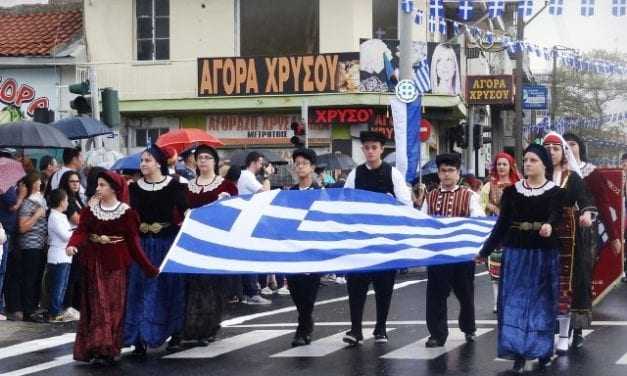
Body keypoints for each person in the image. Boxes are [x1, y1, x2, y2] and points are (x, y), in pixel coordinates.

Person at [477, 143, 563, 373]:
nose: (527, 164)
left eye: (533, 160)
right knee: (514, 302)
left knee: (541, 303)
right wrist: (484, 251)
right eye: (525, 160)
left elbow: (557, 215)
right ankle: (517, 351)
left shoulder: (555, 192)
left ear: (544, 164)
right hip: (516, 252)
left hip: (544, 254)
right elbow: (502, 225)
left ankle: (543, 349)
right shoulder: (512, 192)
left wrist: (549, 226)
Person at [66, 171, 159, 365]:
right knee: (98, 306)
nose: (98, 189)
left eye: (102, 185)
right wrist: (72, 244)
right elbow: (82, 230)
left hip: (116, 264)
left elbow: (134, 245)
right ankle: (97, 347)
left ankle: (109, 348)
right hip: (94, 263)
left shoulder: (127, 213)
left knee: (114, 307)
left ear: (114, 188)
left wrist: (149, 267)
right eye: (98, 185)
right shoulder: (91, 210)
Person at [342, 131, 412, 346]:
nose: (370, 151)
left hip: (385, 241)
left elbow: (406, 205)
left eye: (374, 147)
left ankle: (381, 328)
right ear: (363, 150)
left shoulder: (393, 174)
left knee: (384, 287)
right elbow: (345, 203)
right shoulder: (355, 174)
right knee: (356, 286)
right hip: (360, 240)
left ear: (382, 149)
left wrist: (392, 204)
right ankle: (355, 329)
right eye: (367, 147)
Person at [124, 144, 189, 354]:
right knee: (140, 290)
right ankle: (139, 337)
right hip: (142, 246)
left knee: (167, 290)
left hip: (166, 245)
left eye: (147, 160)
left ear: (159, 163)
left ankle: (175, 332)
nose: (143, 164)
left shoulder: (175, 186)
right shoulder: (133, 188)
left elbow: (187, 212)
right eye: (142, 161)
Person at [421, 153, 485, 348]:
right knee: (435, 294)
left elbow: (479, 220)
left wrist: (478, 248)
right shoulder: (430, 196)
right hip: (438, 255)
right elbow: (422, 222)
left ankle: (468, 327)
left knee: (465, 294)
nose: (447, 175)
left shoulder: (469, 195)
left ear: (458, 174)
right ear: (438, 173)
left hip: (462, 255)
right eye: (443, 171)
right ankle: (437, 334)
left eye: (451, 171)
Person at [543, 131, 595, 355]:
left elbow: (585, 200)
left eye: (555, 149)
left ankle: (572, 333)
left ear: (562, 152)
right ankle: (548, 330)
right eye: (547, 149)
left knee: (570, 280)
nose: (551, 153)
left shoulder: (571, 177)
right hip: (541, 233)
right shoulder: (536, 174)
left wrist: (587, 214)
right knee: (544, 281)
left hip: (568, 236)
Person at [183, 145, 237, 346]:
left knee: (214, 286)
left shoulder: (227, 186)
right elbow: (177, 212)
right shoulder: (188, 187)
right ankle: (192, 328)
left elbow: (234, 214)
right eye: (200, 158)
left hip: (215, 242)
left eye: (207, 157)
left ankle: (210, 327)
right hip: (193, 241)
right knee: (194, 285)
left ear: (215, 161)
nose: (203, 161)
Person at [287, 148, 322, 347]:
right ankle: (306, 320)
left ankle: (303, 328)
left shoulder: (319, 192)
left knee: (309, 291)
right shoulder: (290, 192)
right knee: (295, 289)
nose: (300, 167)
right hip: (293, 248)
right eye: (297, 163)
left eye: (304, 163)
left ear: (312, 167)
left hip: (312, 248)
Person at [480, 152, 520, 313]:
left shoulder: (518, 184)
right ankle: (497, 302)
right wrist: (492, 207)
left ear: (510, 166)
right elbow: (481, 203)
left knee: (514, 268)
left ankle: (512, 300)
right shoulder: (489, 185)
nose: (501, 167)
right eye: (499, 164)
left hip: (514, 232)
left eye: (504, 164)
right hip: (496, 231)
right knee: (495, 270)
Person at [236, 151, 271, 305]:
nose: (262, 166)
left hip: (246, 219)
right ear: (255, 162)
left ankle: (247, 292)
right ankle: (252, 293)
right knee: (250, 256)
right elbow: (265, 194)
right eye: (261, 162)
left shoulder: (245, 176)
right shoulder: (247, 176)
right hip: (247, 220)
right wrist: (267, 177)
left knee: (246, 256)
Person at [17, 172, 48, 322]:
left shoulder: (40, 201)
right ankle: (28, 311)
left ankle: (34, 308)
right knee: (30, 278)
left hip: (40, 245)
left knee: (36, 278)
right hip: (30, 246)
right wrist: (36, 215)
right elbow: (22, 227)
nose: (40, 184)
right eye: (37, 182)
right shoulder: (28, 204)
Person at [58, 170, 85, 318]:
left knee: (78, 276)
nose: (75, 184)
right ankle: (68, 306)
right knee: (71, 276)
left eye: (77, 181)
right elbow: (78, 220)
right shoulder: (67, 199)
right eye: (72, 181)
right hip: (69, 241)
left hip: (79, 241)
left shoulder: (77, 198)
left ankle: (76, 306)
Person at [0, 178, 26, 321]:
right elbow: (13, 206)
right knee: (3, 271)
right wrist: (21, 194)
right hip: (5, 232)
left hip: (5, 231)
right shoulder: (5, 185)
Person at [45, 189, 73, 322]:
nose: (68, 203)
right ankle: (54, 312)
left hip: (65, 255)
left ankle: (57, 310)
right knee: (57, 285)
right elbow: (66, 235)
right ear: (61, 202)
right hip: (57, 256)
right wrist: (76, 233)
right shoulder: (54, 216)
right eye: (66, 200)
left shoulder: (61, 216)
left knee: (63, 285)